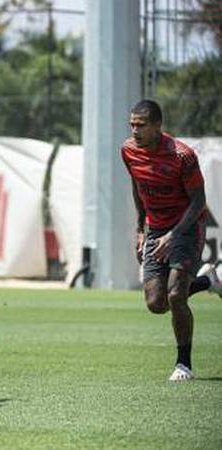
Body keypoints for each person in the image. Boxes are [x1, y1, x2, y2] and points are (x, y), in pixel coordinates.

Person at [121, 99, 222, 382]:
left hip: (186, 227)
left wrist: (174, 234)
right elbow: (137, 187)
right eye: (132, 125)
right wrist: (140, 228)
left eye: (140, 125)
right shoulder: (128, 151)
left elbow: (199, 201)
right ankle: (208, 282)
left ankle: (184, 364)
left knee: (176, 294)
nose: (134, 131)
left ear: (157, 126)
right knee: (156, 302)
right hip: (155, 228)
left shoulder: (182, 156)